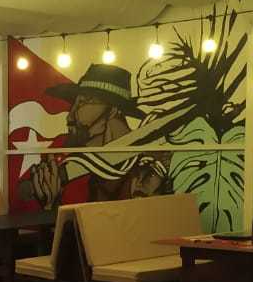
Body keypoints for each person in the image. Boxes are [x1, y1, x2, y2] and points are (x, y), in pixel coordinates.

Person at [18, 63, 168, 207]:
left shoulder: (147, 169)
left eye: (82, 103)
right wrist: (51, 205)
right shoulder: (83, 166)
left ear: (113, 110)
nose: (70, 116)